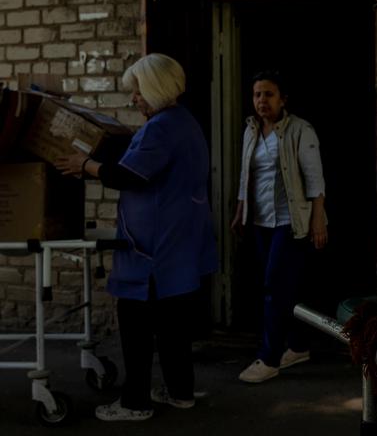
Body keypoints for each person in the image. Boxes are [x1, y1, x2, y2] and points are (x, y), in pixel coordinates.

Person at [54, 53, 219, 421]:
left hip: (153, 251)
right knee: (175, 327)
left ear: (156, 89)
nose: (134, 99)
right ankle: (180, 393)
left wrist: (86, 165)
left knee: (137, 329)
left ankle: (135, 403)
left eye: (138, 92)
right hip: (179, 245)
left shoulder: (161, 128)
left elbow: (130, 176)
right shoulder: (184, 122)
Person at [231, 70, 328, 384]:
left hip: (291, 222)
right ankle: (298, 346)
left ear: (283, 99)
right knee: (285, 288)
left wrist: (318, 221)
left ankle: (269, 357)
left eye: (269, 94)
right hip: (261, 222)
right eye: (257, 94)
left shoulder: (300, 130)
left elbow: (315, 180)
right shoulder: (251, 130)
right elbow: (247, 175)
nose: (262, 101)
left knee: (274, 288)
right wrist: (240, 209)